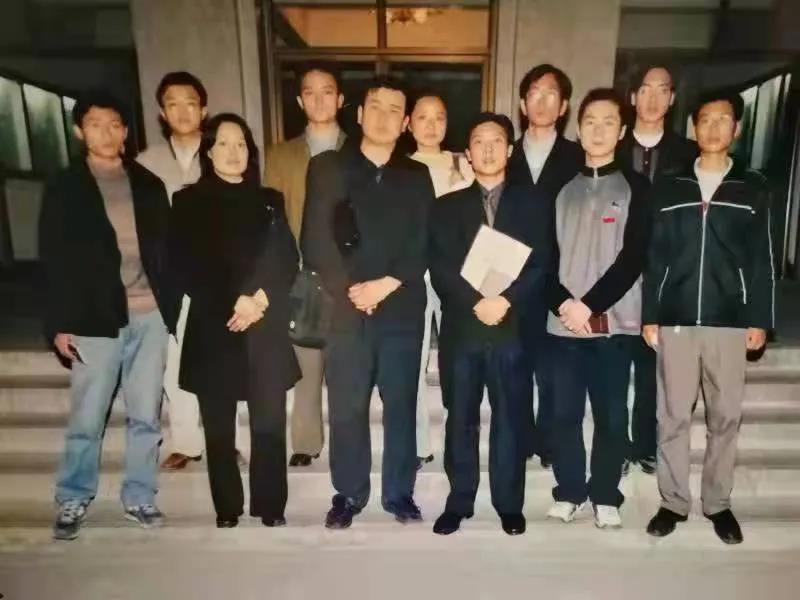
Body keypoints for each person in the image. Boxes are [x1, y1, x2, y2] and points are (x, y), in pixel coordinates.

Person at [41, 91, 178, 540]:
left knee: (146, 414)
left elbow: (166, 249)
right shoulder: (65, 187)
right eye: (96, 124)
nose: (107, 132)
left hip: (149, 314)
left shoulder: (147, 183)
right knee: (88, 416)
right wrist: (59, 323)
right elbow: (53, 258)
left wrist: (170, 306)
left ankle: (140, 495)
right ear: (80, 131)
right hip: (93, 318)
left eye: (115, 124)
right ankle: (73, 496)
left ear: (125, 131)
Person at [301, 77, 434, 529]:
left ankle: (399, 493)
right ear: (358, 114)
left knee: (400, 405)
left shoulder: (416, 175)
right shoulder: (328, 167)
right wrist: (353, 290)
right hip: (344, 308)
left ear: (405, 123)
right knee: (347, 406)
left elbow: (423, 240)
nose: (383, 117)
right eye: (375, 107)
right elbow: (314, 238)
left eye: (395, 110)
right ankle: (349, 494)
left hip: (400, 307)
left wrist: (387, 284)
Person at [643, 93, 773, 545]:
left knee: (725, 417)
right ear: (694, 127)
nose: (714, 128)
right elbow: (654, 255)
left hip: (730, 318)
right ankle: (672, 502)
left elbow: (762, 259)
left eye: (723, 120)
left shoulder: (753, 187)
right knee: (672, 416)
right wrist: (650, 314)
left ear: (736, 128)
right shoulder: (670, 186)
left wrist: (759, 318)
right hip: (676, 317)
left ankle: (718, 503)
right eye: (705, 120)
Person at [168, 113, 300, 528]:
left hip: (264, 324)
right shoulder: (188, 202)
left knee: (269, 424)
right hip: (215, 327)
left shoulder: (269, 200)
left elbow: (286, 257)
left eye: (241, 143)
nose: (233, 151)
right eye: (223, 143)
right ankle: (227, 507)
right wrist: (234, 302)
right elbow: (186, 266)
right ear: (208, 151)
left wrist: (259, 299)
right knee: (219, 430)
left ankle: (270, 505)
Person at [429, 112, 550, 536]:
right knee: (460, 417)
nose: (487, 149)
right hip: (463, 328)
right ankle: (459, 501)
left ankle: (509, 505)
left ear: (510, 150)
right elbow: (440, 266)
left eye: (496, 141)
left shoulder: (534, 204)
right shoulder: (445, 207)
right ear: (467, 152)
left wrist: (505, 301)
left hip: (513, 328)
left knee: (511, 419)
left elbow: (542, 263)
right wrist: (477, 302)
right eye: (478, 141)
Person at [546, 88, 650, 529]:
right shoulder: (558, 187)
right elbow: (542, 256)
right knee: (563, 415)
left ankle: (606, 494)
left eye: (609, 122)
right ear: (579, 127)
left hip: (615, 324)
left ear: (622, 130)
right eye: (590, 121)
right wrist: (563, 304)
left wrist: (587, 305)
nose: (599, 129)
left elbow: (633, 258)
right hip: (561, 325)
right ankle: (570, 491)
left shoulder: (636, 187)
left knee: (611, 416)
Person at [137, 71, 249, 471]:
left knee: (229, 361)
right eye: (173, 104)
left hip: (221, 281)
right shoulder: (146, 164)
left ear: (203, 110)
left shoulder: (222, 149)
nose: (182, 111)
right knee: (177, 364)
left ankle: (231, 442)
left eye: (190, 103)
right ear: (162, 112)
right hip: (172, 279)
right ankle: (186, 441)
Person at [616, 64, 699, 476]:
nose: (652, 98)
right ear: (633, 97)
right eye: (644, 90)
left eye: (661, 90)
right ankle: (615, 445)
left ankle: (646, 444)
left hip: (667, 273)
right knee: (615, 365)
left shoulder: (689, 154)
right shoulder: (611, 145)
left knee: (654, 366)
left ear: (671, 98)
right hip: (615, 271)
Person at [265, 63, 346, 468]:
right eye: (309, 92)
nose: (319, 99)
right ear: (299, 101)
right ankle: (306, 441)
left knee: (346, 366)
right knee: (306, 362)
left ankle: (349, 442)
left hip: (348, 275)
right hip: (300, 272)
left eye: (327, 91)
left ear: (340, 99)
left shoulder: (359, 150)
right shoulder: (281, 155)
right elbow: (270, 218)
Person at [507, 64, 584, 468]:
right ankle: (521, 439)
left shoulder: (578, 157)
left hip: (562, 279)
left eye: (550, 93)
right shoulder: (503, 153)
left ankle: (551, 442)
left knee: (554, 369)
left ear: (564, 105)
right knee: (516, 365)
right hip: (513, 278)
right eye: (534, 93)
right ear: (523, 103)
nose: (542, 101)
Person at [407, 92, 474, 467]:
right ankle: (419, 444)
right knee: (413, 361)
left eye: (439, 117)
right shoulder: (400, 167)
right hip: (414, 277)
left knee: (457, 361)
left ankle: (458, 439)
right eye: (423, 117)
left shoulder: (465, 163)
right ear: (409, 123)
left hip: (457, 278)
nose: (431, 125)